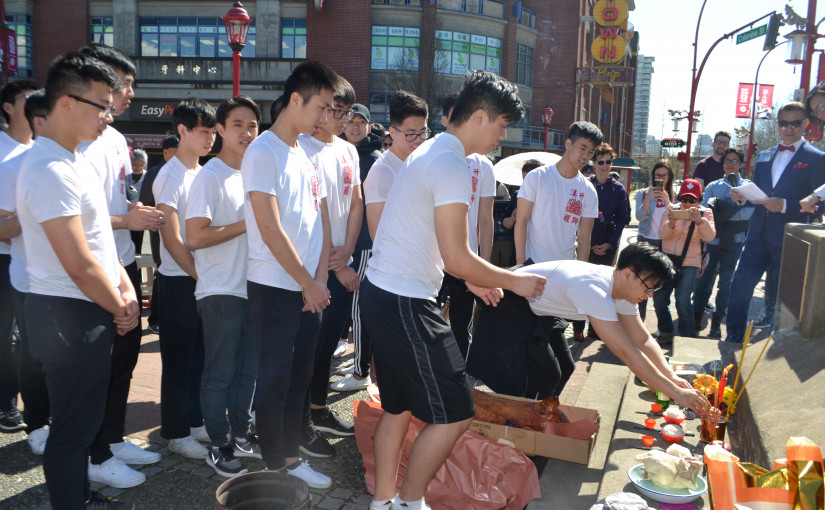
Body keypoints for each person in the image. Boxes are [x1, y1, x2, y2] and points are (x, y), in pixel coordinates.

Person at [360, 70, 546, 510]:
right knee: (457, 410)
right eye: (501, 126)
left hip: (386, 292)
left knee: (399, 407)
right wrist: (511, 278)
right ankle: (409, 501)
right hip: (403, 300)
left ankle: (385, 501)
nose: (502, 137)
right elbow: (458, 254)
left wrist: (473, 279)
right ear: (480, 117)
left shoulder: (433, 151)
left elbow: (435, 244)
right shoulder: (450, 163)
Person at [17, 51, 138, 510]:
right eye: (101, 104)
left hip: (88, 304)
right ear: (65, 102)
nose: (108, 115)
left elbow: (100, 239)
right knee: (72, 427)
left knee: (83, 418)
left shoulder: (74, 161)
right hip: (66, 309)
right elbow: (78, 263)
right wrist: (120, 304)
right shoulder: (47, 168)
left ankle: (79, 495)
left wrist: (125, 290)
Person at [467, 243, 709, 413]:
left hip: (541, 310)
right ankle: (511, 430)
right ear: (627, 274)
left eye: (653, 290)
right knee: (522, 380)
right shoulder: (595, 290)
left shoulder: (623, 290)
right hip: (511, 302)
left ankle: (538, 419)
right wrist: (676, 394)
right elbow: (626, 352)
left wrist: (672, 377)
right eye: (648, 288)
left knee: (561, 368)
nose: (648, 296)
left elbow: (642, 340)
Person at [242, 60, 336, 489]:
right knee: (276, 380)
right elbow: (269, 227)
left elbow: (319, 220)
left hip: (308, 288)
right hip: (276, 286)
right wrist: (307, 282)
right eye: (320, 106)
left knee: (300, 378)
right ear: (296, 99)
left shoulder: (305, 153)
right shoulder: (263, 151)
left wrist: (318, 280)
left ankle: (292, 459)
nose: (324, 117)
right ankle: (275, 468)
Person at [77, 43, 164, 489]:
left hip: (124, 260)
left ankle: (112, 439)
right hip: (93, 267)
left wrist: (132, 213)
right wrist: (126, 219)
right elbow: (74, 216)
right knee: (100, 365)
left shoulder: (113, 137)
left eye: (129, 85)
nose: (129, 93)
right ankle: (92, 453)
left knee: (126, 358)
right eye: (124, 84)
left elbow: (110, 203)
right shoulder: (79, 139)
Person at [183, 96, 261, 477]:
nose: (246, 133)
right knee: (221, 372)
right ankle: (218, 444)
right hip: (220, 291)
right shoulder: (209, 176)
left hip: (256, 288)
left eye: (252, 126)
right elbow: (194, 237)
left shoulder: (256, 174)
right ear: (220, 130)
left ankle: (242, 436)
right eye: (238, 125)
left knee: (249, 371)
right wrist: (248, 222)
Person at [298, 76, 362, 457]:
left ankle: (319, 410)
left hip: (342, 260)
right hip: (313, 269)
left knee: (327, 346)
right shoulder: (301, 148)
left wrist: (348, 250)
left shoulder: (348, 151)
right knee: (307, 347)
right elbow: (314, 212)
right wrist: (334, 265)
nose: (340, 119)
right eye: (335, 110)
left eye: (346, 112)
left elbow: (356, 202)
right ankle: (299, 422)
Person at [726, 102, 825, 343]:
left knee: (784, 300)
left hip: (791, 239)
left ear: (805, 124)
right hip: (757, 236)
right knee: (738, 288)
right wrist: (742, 198)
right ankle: (733, 340)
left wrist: (785, 205)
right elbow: (760, 197)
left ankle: (774, 349)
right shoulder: (764, 156)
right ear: (777, 125)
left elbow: (820, 203)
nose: (789, 128)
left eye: (795, 123)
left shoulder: (817, 158)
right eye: (784, 123)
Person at [513, 121, 600, 389]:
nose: (585, 156)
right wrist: (520, 265)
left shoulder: (587, 189)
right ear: (568, 144)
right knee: (543, 356)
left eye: (591, 151)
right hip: (531, 272)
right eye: (582, 147)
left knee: (557, 361)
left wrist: (581, 276)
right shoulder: (538, 177)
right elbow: (522, 221)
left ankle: (541, 407)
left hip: (561, 278)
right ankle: (534, 406)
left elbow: (584, 237)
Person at [153, 98, 216, 459]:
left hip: (199, 278)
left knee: (199, 358)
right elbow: (171, 238)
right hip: (179, 281)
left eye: (212, 132)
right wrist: (199, 275)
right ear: (182, 131)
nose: (210, 138)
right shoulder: (171, 174)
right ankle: (175, 432)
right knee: (178, 360)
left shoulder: (200, 172)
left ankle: (194, 422)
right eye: (203, 131)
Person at [0, 90, 51, 455]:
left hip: (66, 278)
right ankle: (35, 423)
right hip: (28, 275)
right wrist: (37, 211)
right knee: (32, 353)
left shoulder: (75, 162)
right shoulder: (13, 166)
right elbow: (4, 228)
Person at [439, 92, 496, 359]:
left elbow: (486, 219)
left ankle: (460, 377)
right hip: (434, 259)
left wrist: (484, 266)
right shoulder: (433, 154)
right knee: (431, 322)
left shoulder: (483, 165)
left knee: (462, 326)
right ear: (444, 121)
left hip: (466, 259)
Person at [0, 78, 37, 432]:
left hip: (36, 259)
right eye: (28, 98)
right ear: (8, 107)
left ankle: (35, 404)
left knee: (31, 336)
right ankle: (7, 403)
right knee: (5, 333)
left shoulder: (42, 149)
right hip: (4, 257)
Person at [342, 103, 382, 395]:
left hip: (366, 244)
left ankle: (360, 373)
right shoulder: (345, 154)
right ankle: (360, 364)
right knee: (355, 310)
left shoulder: (372, 160)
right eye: (350, 121)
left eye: (361, 122)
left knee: (359, 311)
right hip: (350, 243)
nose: (355, 126)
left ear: (369, 127)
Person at [692, 148, 754, 338]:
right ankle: (697, 318)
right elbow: (704, 210)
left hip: (735, 243)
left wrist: (723, 208)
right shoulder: (713, 186)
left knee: (726, 284)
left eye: (735, 161)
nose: (730, 164)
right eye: (727, 160)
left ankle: (717, 323)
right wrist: (727, 209)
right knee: (704, 281)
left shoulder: (749, 187)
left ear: (741, 165)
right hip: (712, 241)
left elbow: (750, 213)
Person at [572, 143, 629, 341]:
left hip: (608, 247)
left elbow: (623, 219)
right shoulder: (584, 184)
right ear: (594, 163)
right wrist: (591, 243)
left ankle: (595, 328)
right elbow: (577, 216)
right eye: (601, 162)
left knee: (602, 289)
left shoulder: (618, 189)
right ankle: (577, 326)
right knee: (581, 285)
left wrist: (609, 244)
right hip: (586, 245)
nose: (605, 166)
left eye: (609, 161)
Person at [653, 179, 716, 342]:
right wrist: (671, 222)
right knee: (659, 298)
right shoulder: (671, 209)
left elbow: (709, 236)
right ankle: (666, 331)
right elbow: (662, 235)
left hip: (690, 261)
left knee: (682, 300)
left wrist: (699, 221)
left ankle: (688, 337)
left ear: (699, 199)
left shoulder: (705, 212)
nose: (687, 204)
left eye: (692, 200)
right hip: (667, 260)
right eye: (684, 199)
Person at [139, 134, 179, 334]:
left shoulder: (183, 171)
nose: (177, 155)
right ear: (165, 153)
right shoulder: (155, 173)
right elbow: (145, 202)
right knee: (161, 273)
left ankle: (166, 318)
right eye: (173, 152)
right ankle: (155, 319)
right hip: (158, 233)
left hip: (178, 233)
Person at [634, 159, 674, 321]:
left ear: (669, 177)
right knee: (642, 283)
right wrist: (648, 199)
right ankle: (640, 322)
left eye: (665, 175)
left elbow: (676, 219)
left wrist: (668, 202)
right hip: (645, 241)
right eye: (658, 175)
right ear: (653, 176)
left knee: (660, 287)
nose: (661, 178)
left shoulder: (673, 196)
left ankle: (664, 328)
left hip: (665, 243)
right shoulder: (642, 194)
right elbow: (638, 217)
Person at [128, 148, 149, 254]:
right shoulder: (125, 176)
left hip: (140, 215)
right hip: (125, 214)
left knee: (138, 244)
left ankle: (138, 269)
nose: (138, 167)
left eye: (141, 165)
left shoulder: (147, 176)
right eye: (135, 164)